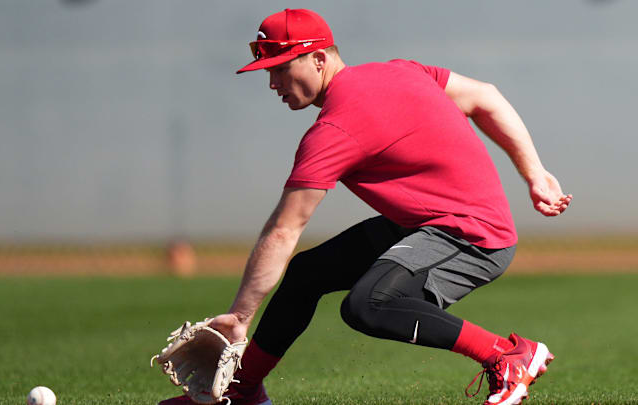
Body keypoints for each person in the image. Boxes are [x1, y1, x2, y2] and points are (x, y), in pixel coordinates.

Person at [160, 8, 572, 405]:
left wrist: (240, 317)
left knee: (368, 304)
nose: (274, 82)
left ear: (319, 59)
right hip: (425, 224)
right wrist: (534, 173)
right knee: (307, 274)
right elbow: (486, 96)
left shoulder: (334, 130)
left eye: (283, 67)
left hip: (472, 236)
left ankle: (506, 355)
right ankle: (244, 390)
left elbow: (285, 230)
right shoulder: (399, 69)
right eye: (270, 70)